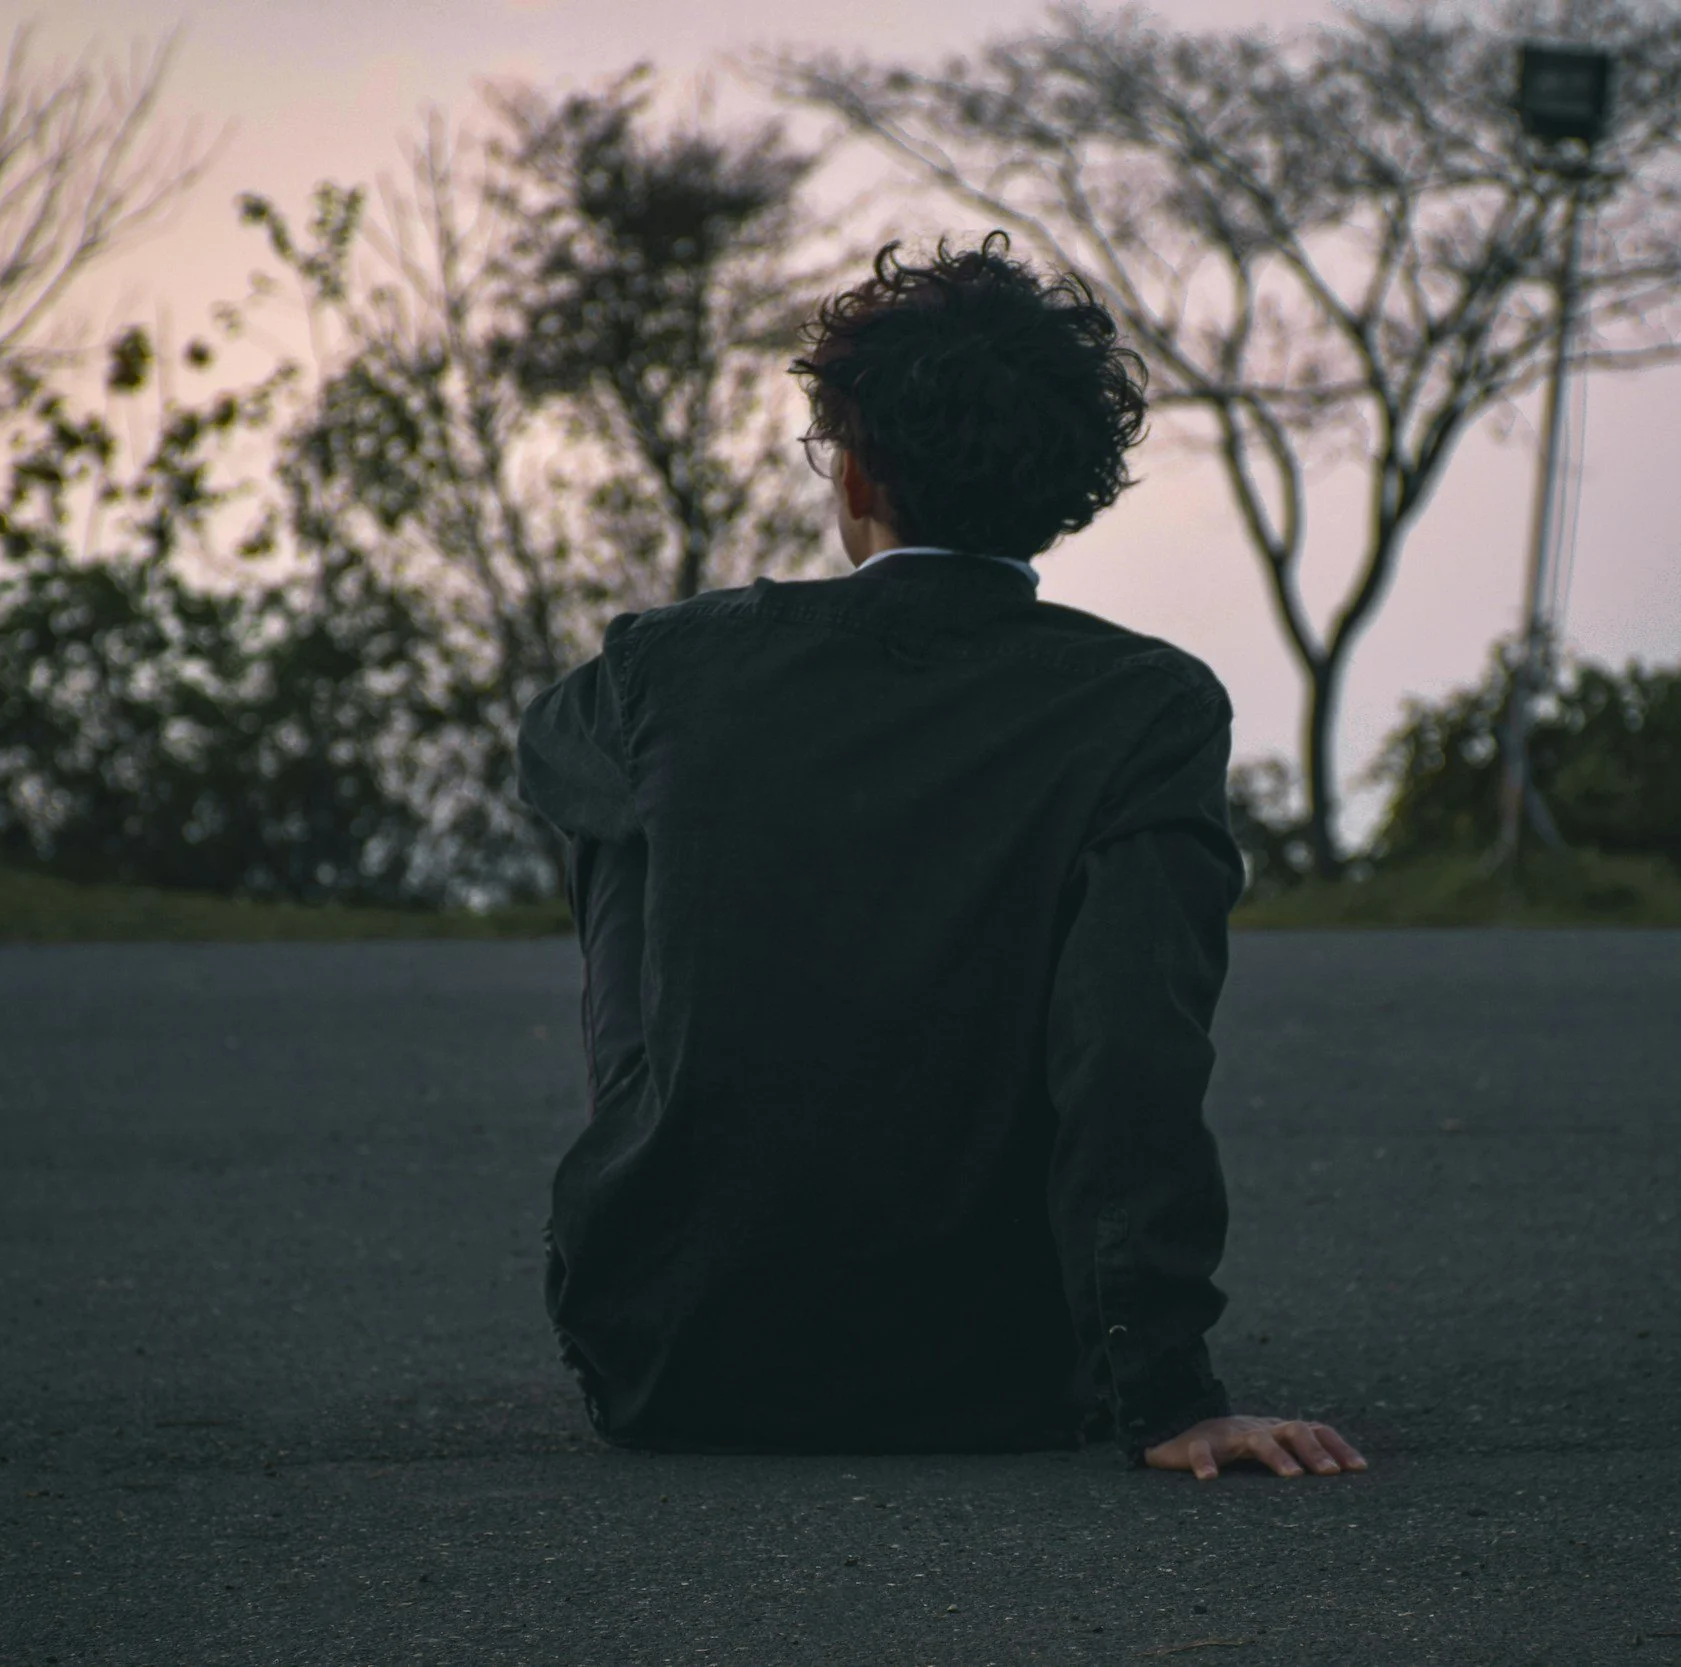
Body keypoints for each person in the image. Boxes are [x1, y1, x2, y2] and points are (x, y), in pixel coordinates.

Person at [516, 233, 1364, 1482]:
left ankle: (685, 1217)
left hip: (672, 1357)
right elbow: (1129, 1046)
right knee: (649, 789)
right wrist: (1167, 1391)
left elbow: (549, 762)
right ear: (1067, 489)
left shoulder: (675, 665)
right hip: (1006, 1373)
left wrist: (774, 793)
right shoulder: (1144, 706)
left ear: (853, 471)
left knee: (625, 803)